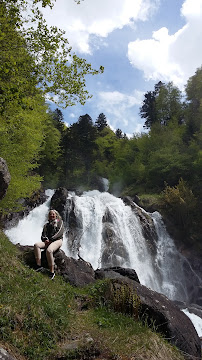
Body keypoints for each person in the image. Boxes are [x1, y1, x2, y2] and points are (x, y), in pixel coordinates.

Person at [34, 209, 64, 280]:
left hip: (58, 240)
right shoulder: (46, 225)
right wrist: (45, 239)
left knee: (49, 250)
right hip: (49, 241)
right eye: (50, 214)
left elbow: (59, 233)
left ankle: (52, 272)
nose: (52, 215)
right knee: (36, 245)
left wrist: (50, 239)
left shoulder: (60, 222)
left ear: (56, 215)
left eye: (53, 214)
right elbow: (43, 235)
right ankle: (38, 266)